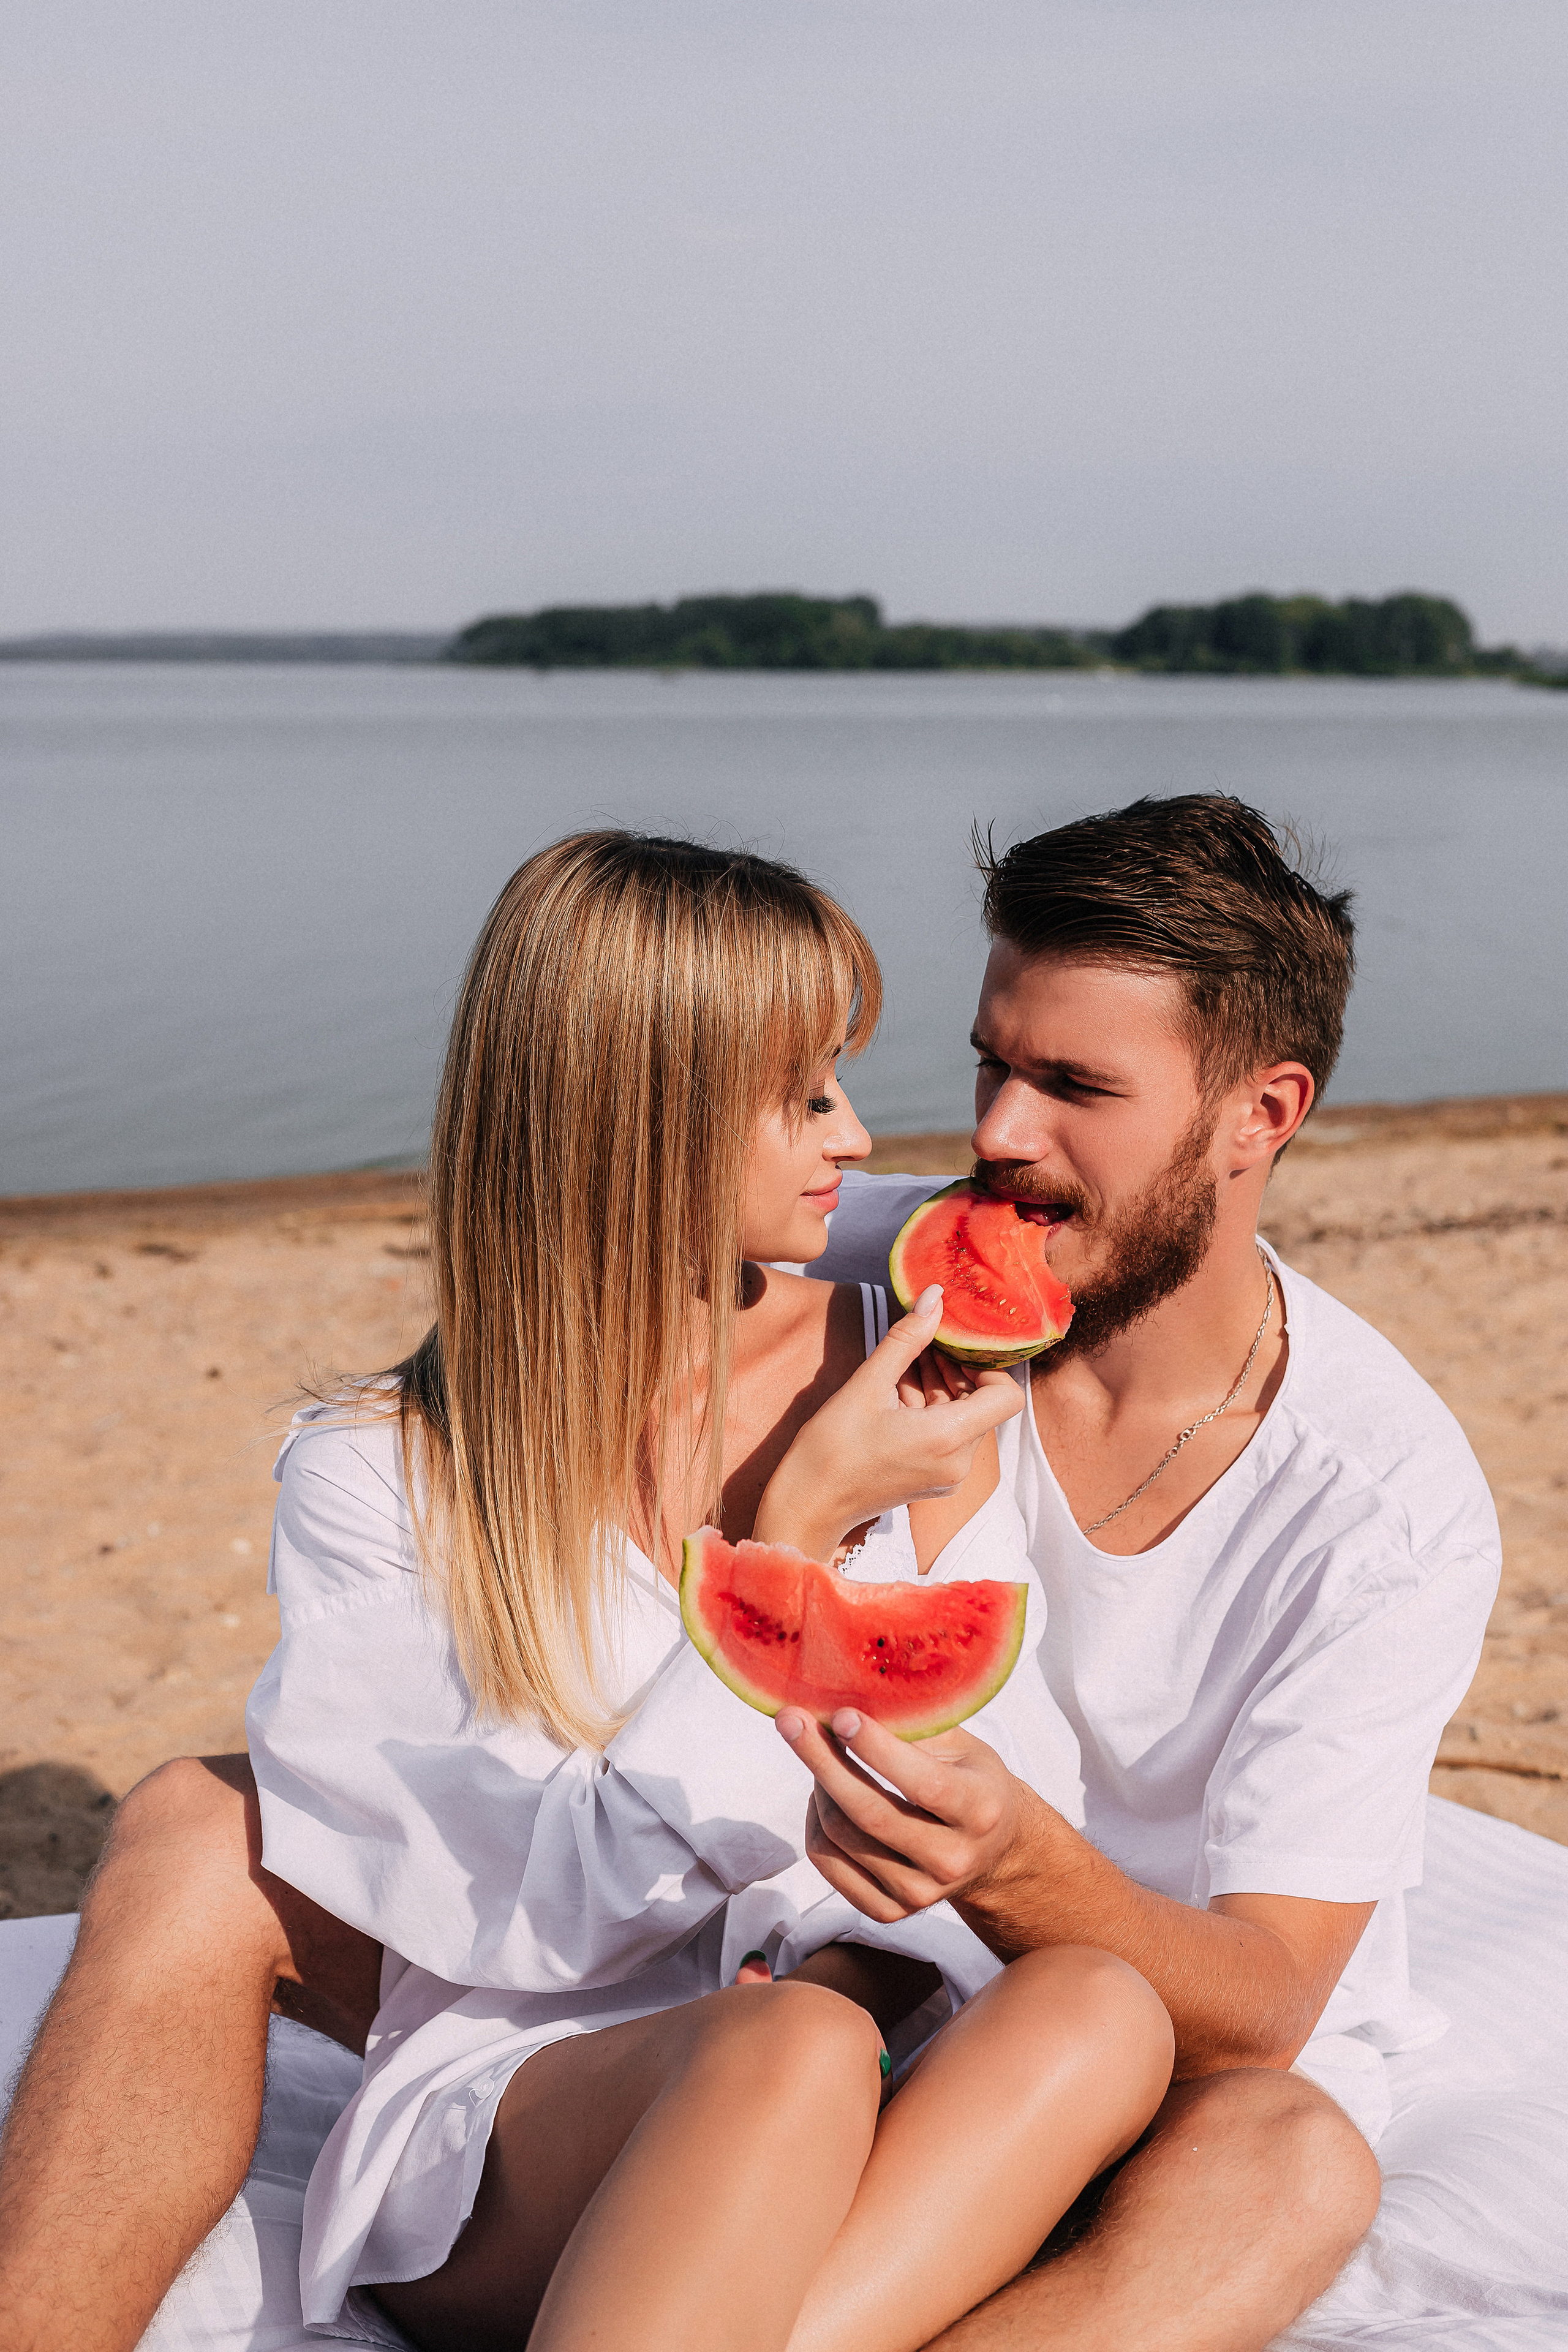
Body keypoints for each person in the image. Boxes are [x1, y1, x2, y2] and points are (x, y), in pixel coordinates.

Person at [0, 794, 1497, 2351]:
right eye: (986, 1066)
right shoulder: (451, 1450)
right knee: (241, 1839)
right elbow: (512, 1916)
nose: (965, 1138)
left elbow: (1238, 1990)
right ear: (644, 1122)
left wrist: (964, 1879)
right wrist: (783, 1544)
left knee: (1230, 2110)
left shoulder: (1336, 1495)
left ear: (1264, 1113)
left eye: (1070, 1085)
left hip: (982, 2031)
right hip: (619, 2067)